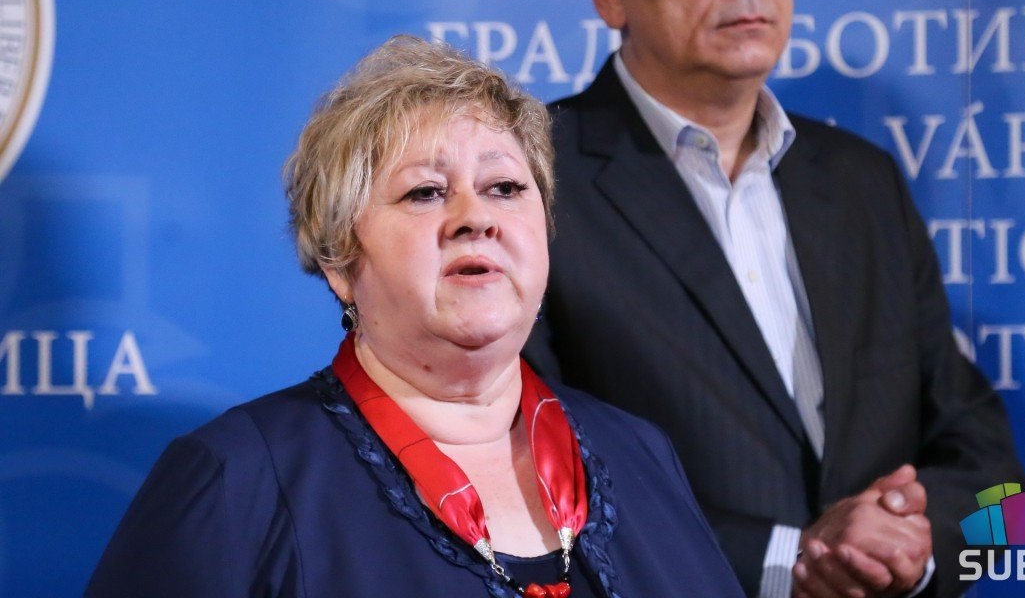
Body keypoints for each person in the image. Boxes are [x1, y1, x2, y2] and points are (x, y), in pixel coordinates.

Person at [523, 0, 1022, 598]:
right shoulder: (529, 184)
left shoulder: (862, 182)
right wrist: (792, 561)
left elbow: (990, 468)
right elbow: (523, 474)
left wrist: (911, 550)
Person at [86, 36, 744, 597]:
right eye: (426, 192)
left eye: (505, 188)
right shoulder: (236, 480)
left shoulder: (641, 453)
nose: (475, 218)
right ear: (341, 258)